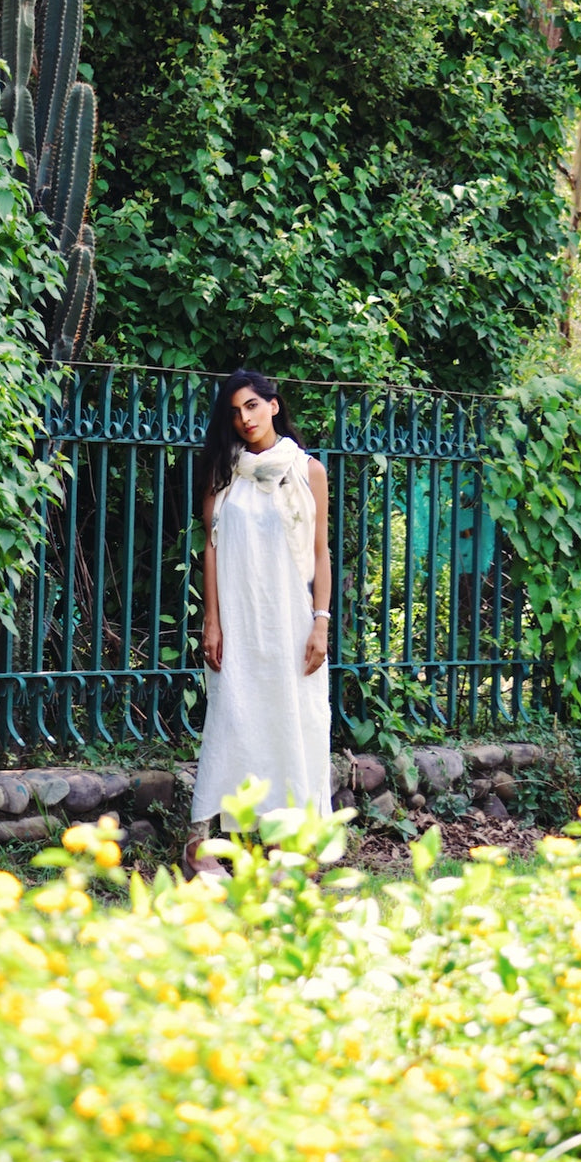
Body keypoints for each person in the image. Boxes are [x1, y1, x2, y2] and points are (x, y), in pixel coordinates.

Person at [183, 369, 332, 879]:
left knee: (294, 726)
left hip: (292, 621)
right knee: (230, 718)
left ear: (272, 404)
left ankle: (291, 850)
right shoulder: (224, 472)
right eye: (234, 412)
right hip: (241, 622)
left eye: (251, 406)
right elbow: (212, 546)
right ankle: (198, 845)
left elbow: (319, 552)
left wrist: (321, 623)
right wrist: (212, 620)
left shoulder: (307, 470)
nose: (244, 419)